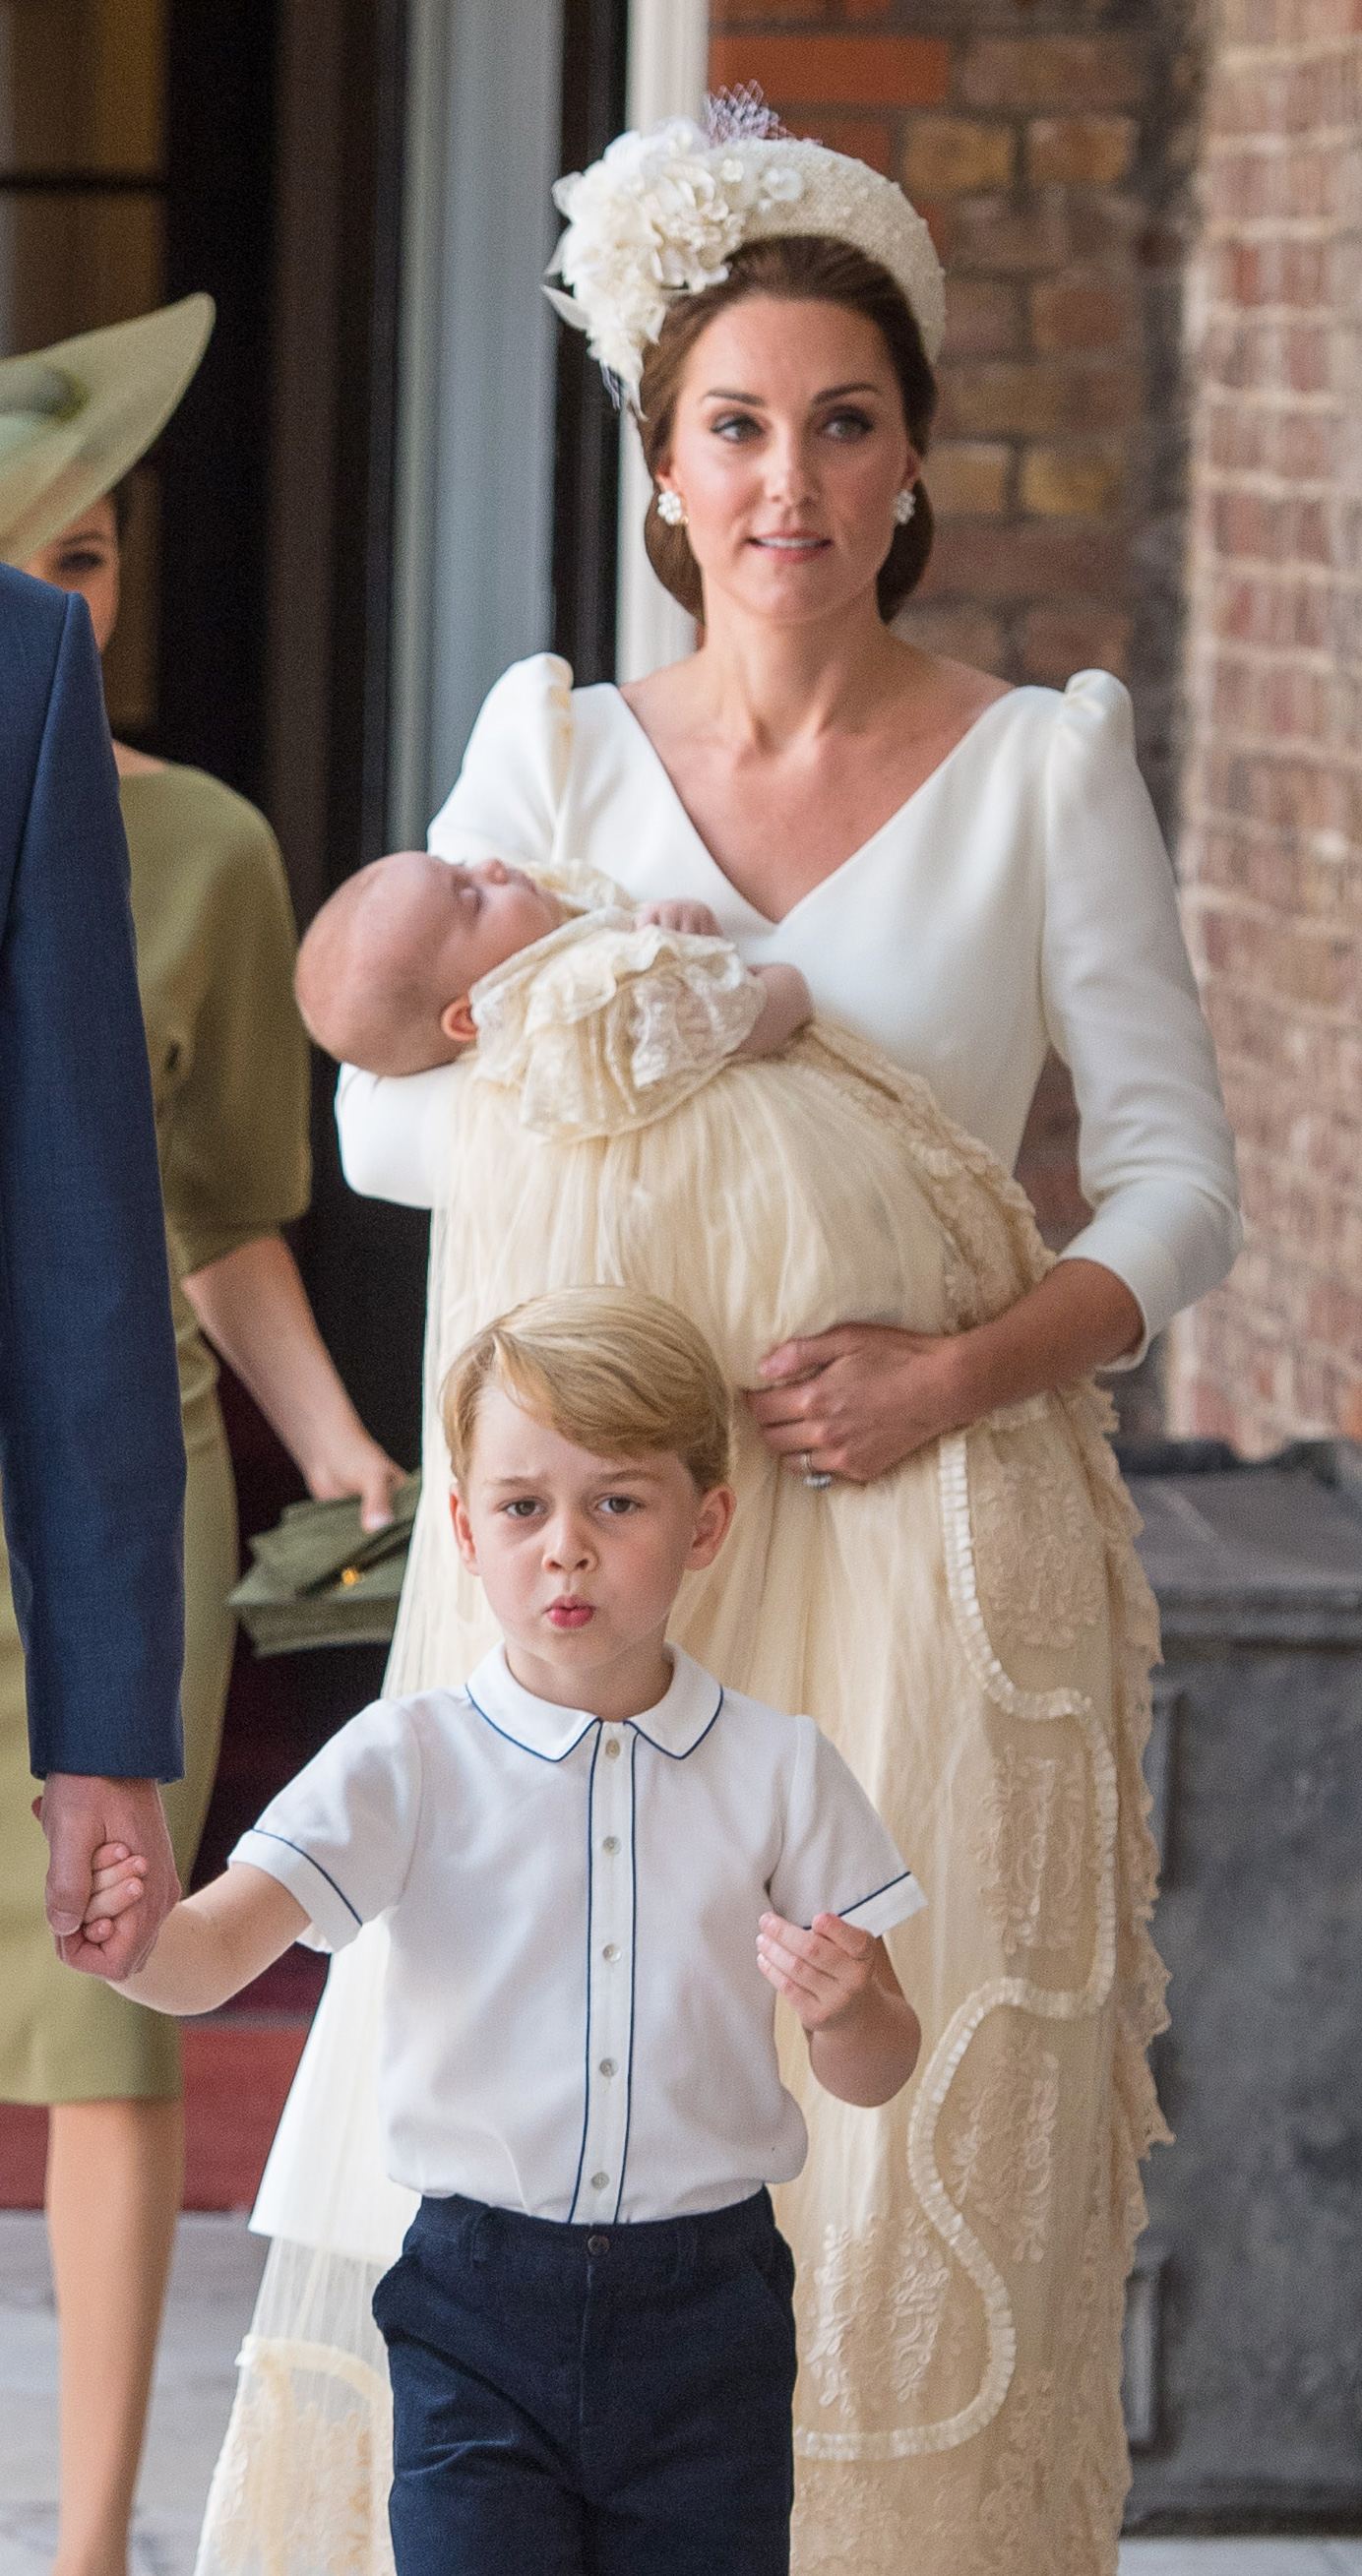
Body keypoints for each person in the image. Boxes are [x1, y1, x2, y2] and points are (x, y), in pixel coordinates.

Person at [203, 102, 1243, 2576]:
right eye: (734, 428)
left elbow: (1189, 1186)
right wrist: (641, 1106)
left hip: (905, 1533)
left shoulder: (1032, 773)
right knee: (532, 2116)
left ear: (907, 468)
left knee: (879, 2134)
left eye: (842, 422)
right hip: (600, 1549)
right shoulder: (552, 757)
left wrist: (951, 1363)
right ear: (663, 474)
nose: (787, 478)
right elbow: (380, 1126)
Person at [85, 1287, 924, 2576]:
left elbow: (880, 2062)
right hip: (475, 2301)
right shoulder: (402, 1760)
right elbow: (209, 1958)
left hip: (710, 2307)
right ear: (466, 1530)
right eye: (526, 1506)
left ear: (707, 1525)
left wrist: (849, 2005)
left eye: (619, 1502)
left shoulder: (781, 1767)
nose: (568, 1548)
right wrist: (134, 1933)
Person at [0, 297, 402, 2576]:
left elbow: (203, 1224)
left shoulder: (217, 849)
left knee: (110, 2006)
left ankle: (88, 2547)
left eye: (103, 554)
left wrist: (338, 1445)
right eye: (33, 549)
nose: (78, 595)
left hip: (100, 1477)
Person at [293, 841, 811, 1080]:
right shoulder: (584, 1010)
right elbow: (749, 1023)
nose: (490, 865)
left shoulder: (571, 939)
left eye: (458, 865)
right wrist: (774, 978)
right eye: (471, 898)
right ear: (471, 1014)